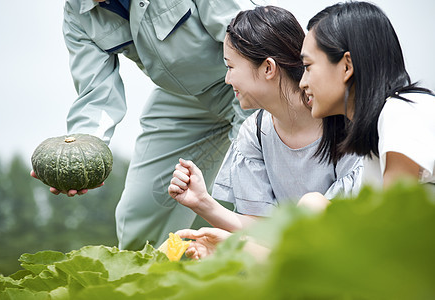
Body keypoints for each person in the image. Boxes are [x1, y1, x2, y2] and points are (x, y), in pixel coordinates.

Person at [31, 0, 259, 251]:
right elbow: (96, 94)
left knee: (254, 193)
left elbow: (248, 34)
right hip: (181, 98)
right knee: (140, 212)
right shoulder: (77, 13)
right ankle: (152, 284)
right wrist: (81, 158)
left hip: (247, 79)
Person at [168, 6, 363, 234]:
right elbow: (262, 231)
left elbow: (348, 223)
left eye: (230, 67)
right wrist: (201, 201)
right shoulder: (255, 132)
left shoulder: (346, 122)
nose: (228, 79)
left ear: (268, 68)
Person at [297, 1, 435, 206]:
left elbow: (392, 225)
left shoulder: (399, 112)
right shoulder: (375, 141)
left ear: (347, 66)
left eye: (308, 66)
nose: (302, 83)